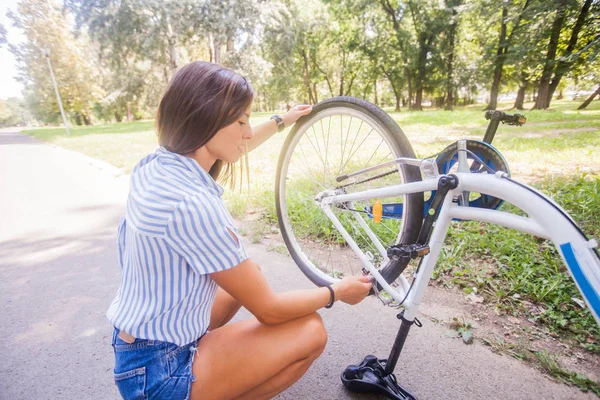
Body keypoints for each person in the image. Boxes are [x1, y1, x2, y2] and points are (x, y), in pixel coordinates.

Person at [106, 61, 373, 400]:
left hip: (135, 345)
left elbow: (233, 144)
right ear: (207, 119)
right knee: (310, 332)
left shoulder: (156, 166)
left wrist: (281, 121)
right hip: (158, 372)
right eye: (242, 121)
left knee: (249, 275)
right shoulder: (191, 205)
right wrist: (337, 292)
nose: (248, 132)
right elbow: (269, 309)